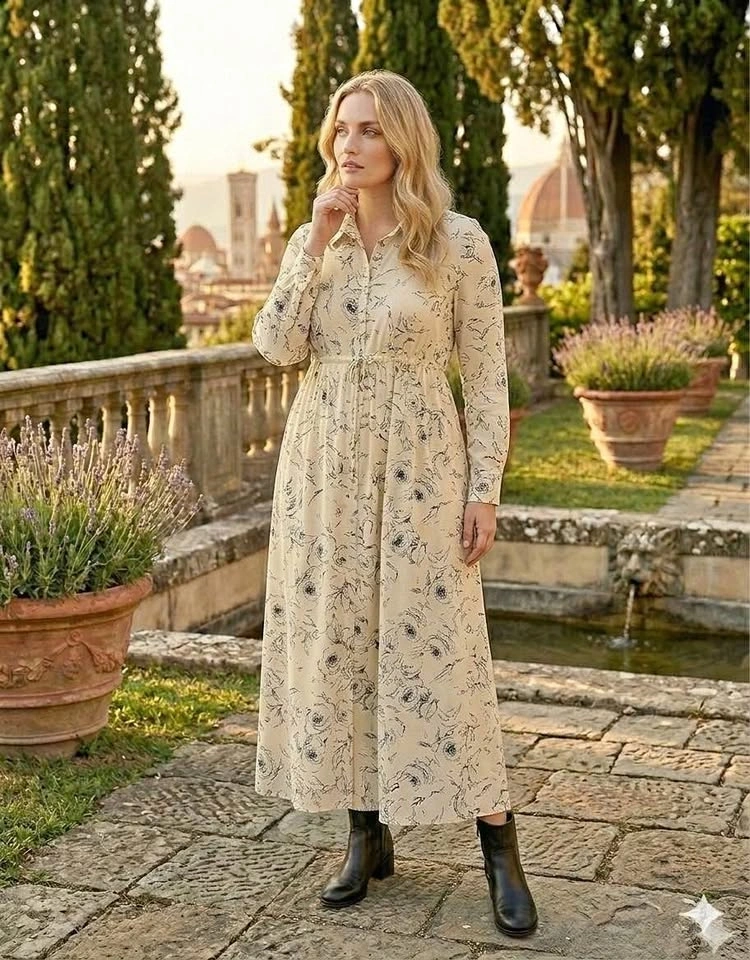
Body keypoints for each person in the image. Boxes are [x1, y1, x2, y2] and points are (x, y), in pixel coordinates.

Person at [252, 69, 538, 938]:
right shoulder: (320, 240)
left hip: (421, 472)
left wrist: (484, 490)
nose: (351, 144)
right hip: (323, 474)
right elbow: (275, 347)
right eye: (342, 129)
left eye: (370, 129)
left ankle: (498, 843)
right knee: (342, 645)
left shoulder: (458, 243)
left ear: (404, 140)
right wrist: (312, 241)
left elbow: (485, 380)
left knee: (445, 653)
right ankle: (364, 832)